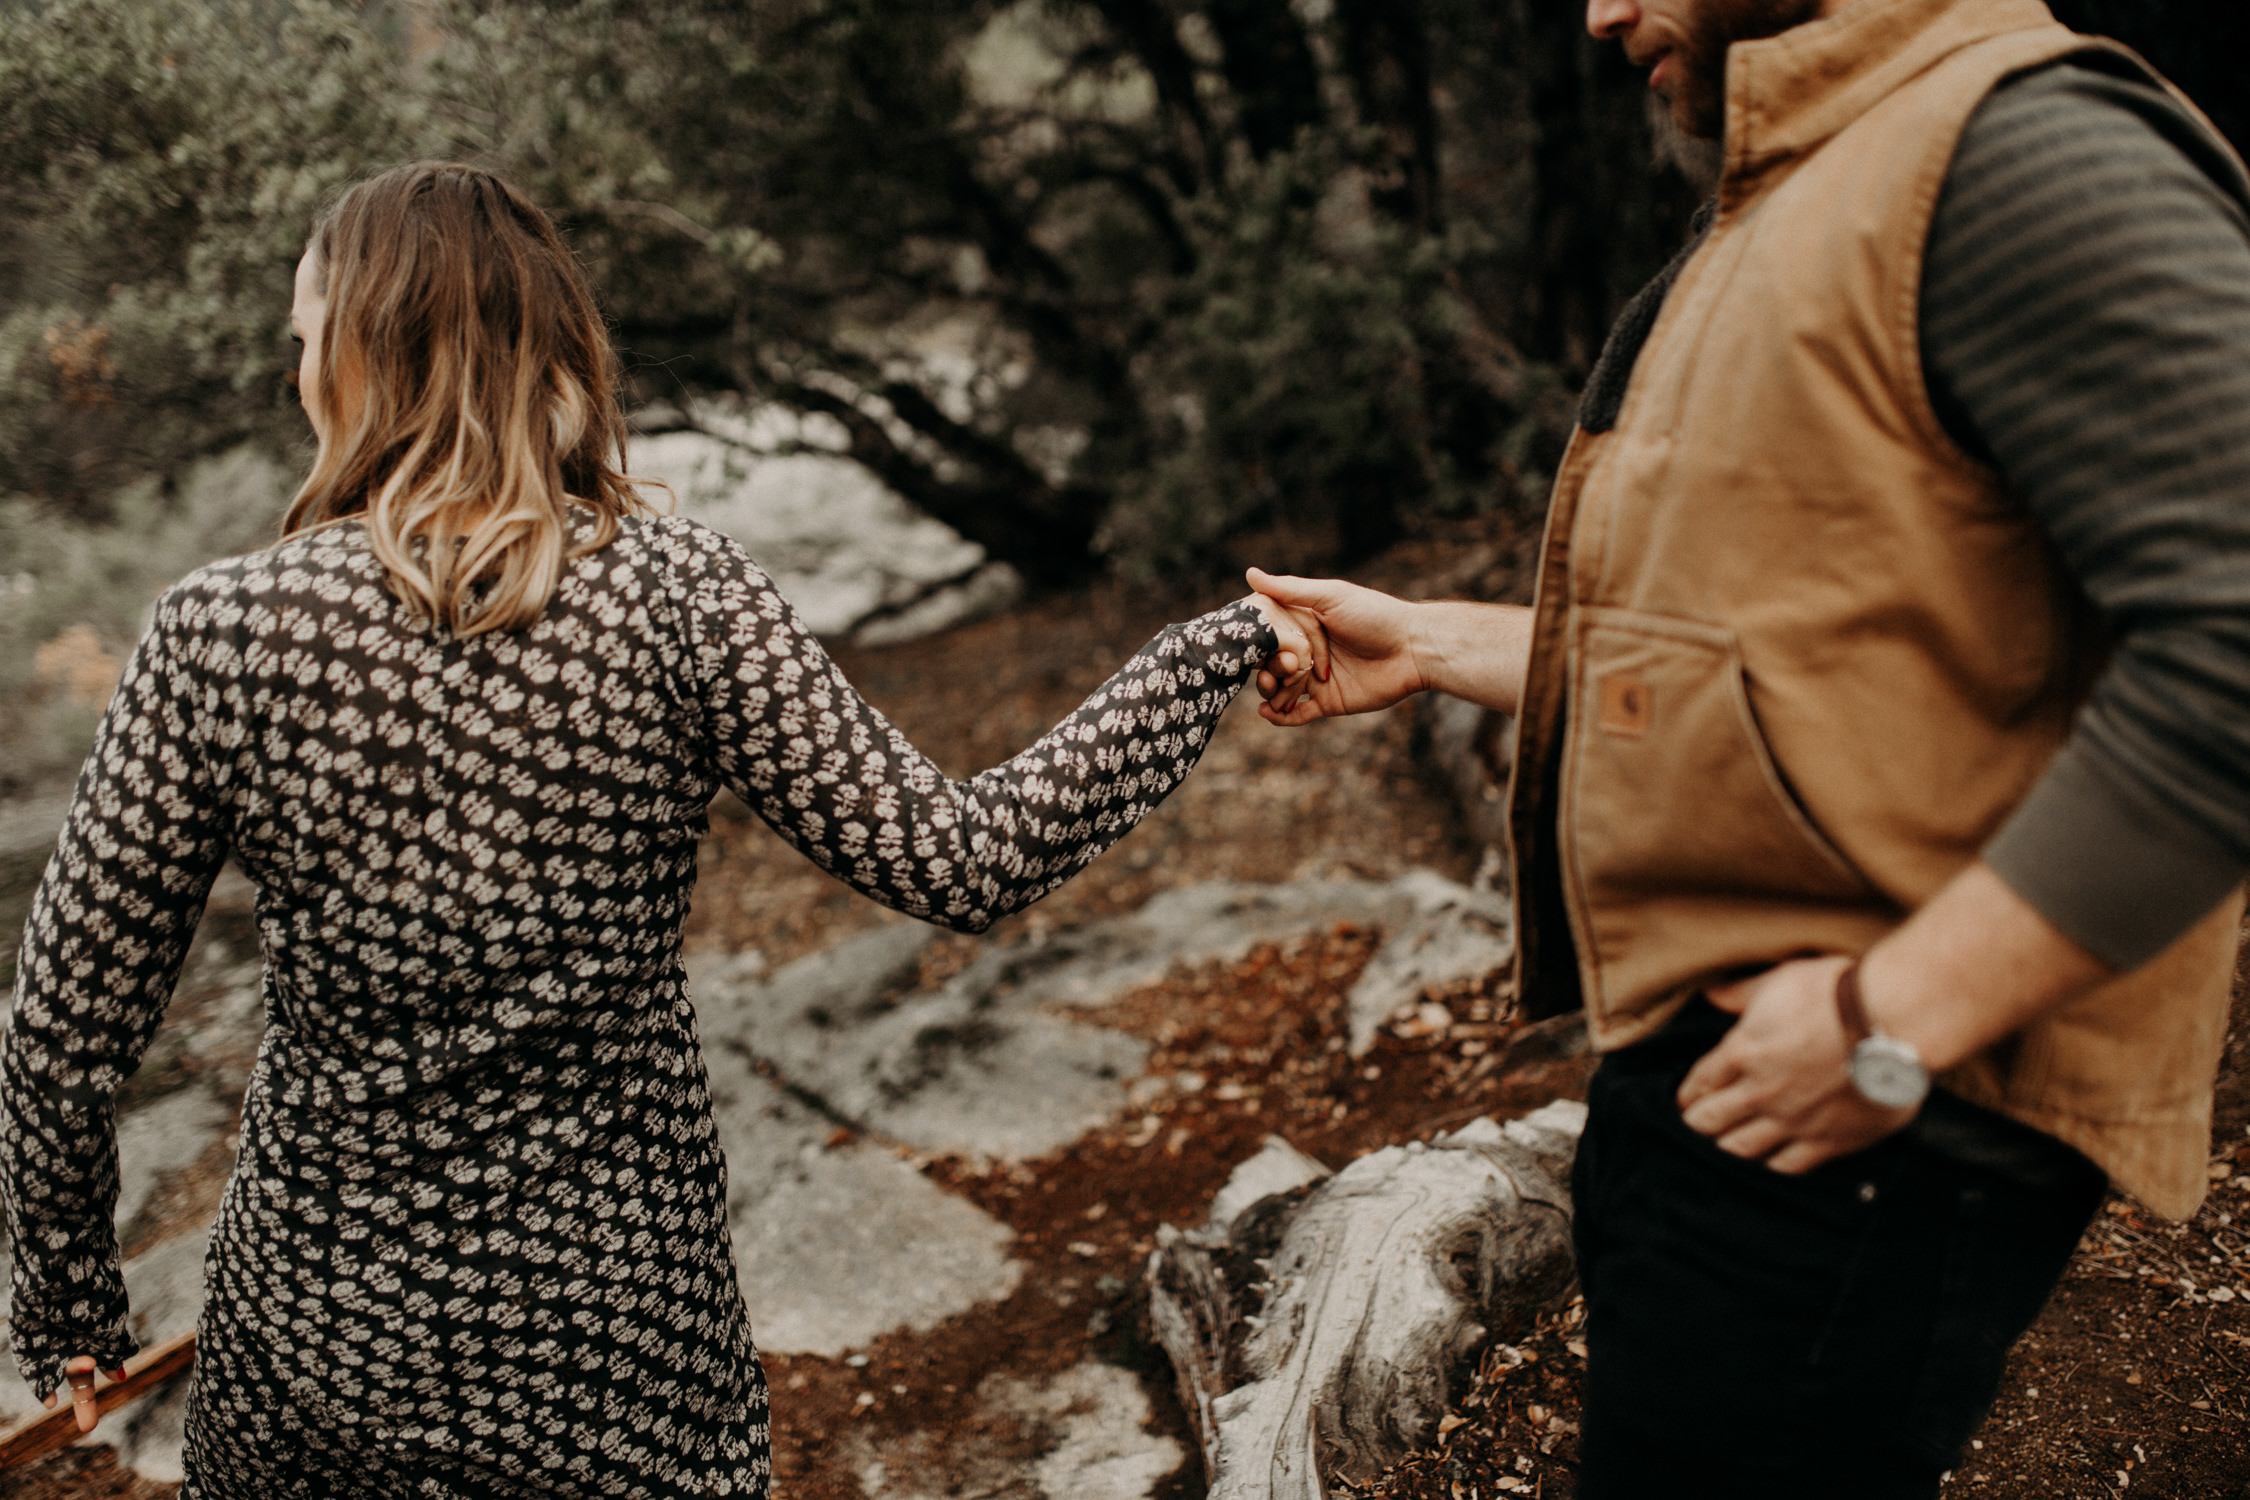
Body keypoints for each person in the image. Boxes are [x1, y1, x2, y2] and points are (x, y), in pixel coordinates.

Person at [0, 161, 1318, 1499]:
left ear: (358, 359)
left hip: (323, 1362)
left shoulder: (221, 635)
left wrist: (66, 1310)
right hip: (616, 1360)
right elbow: (963, 858)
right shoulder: (676, 591)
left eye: (304, 344)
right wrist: (1202, 655)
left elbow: (60, 1031)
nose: (298, 375)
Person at [1251, 0, 2250, 1493]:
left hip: (1871, 1114)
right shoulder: (1812, 179)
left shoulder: (2021, 150)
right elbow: (1778, 669)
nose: (1597, 14)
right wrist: (1437, 646)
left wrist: (1892, 1017)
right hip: (1749, 1087)